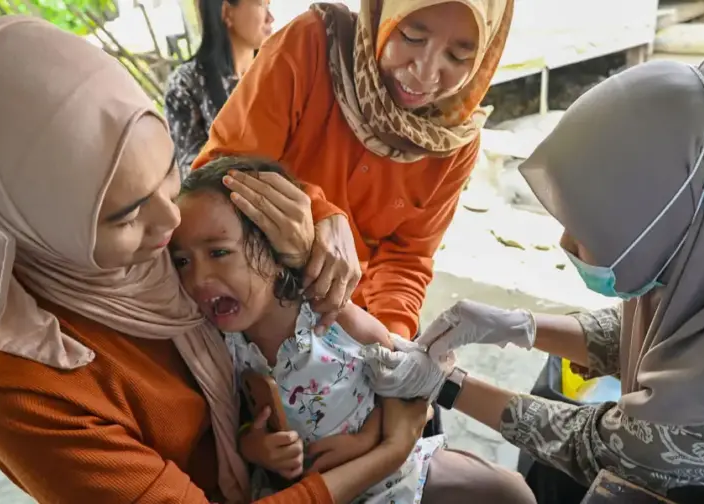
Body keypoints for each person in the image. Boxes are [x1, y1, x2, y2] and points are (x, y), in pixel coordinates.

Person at [0, 10, 434, 504]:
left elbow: (220, 193)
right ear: (28, 222)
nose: (170, 222)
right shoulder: (25, 394)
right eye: (125, 216)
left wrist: (320, 213)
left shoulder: (163, 250)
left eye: (167, 170)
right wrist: (390, 451)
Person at [357, 43, 704, 504]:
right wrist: (518, 326)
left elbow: (600, 446)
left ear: (668, 221)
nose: (566, 243)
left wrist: (445, 385)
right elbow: (642, 337)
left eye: (589, 226)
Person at [170, 156, 536, 503]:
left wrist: (367, 440)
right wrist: (258, 449)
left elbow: (399, 374)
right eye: (182, 261)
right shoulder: (222, 346)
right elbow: (241, 426)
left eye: (218, 252)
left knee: (509, 492)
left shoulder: (330, 316)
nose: (198, 278)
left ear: (275, 248)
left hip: (389, 474)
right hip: (312, 490)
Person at [165, 0, 274, 173]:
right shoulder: (186, 83)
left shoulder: (273, 75)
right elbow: (191, 173)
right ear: (227, 11)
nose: (271, 18)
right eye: (261, 5)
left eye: (269, 6)